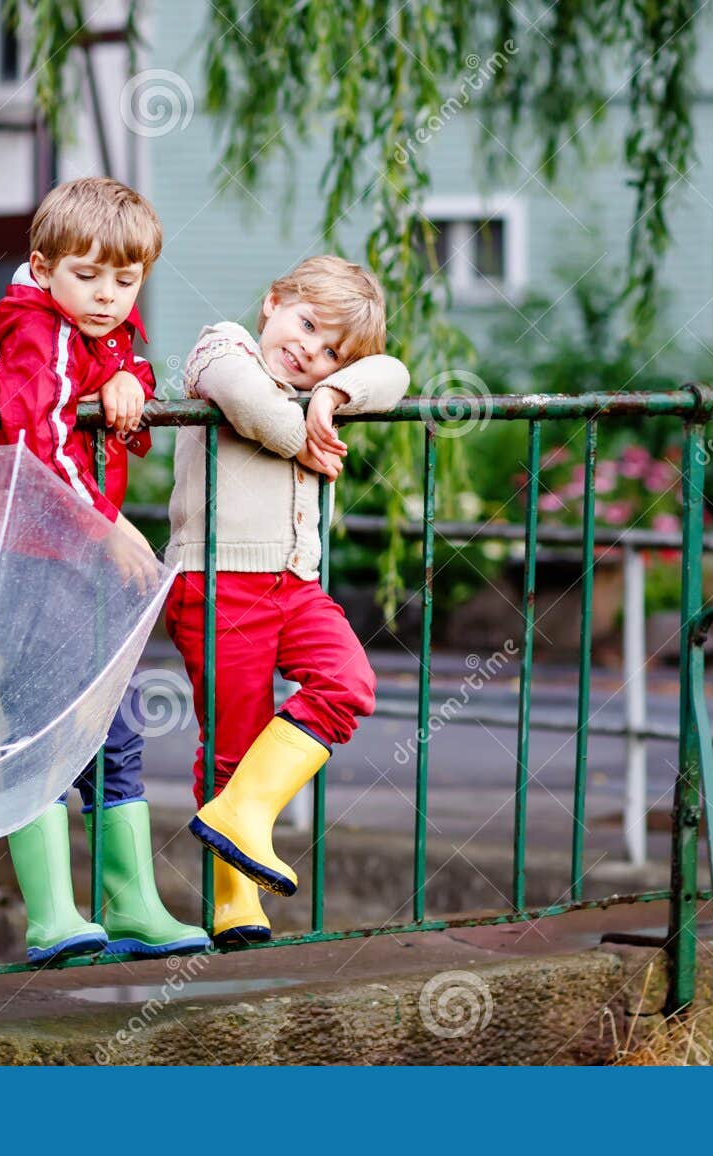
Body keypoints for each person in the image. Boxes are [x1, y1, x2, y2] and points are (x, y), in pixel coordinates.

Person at [0, 176, 207, 963]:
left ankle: (131, 902)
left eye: (126, 278)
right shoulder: (34, 332)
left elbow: (129, 368)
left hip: (82, 566)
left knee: (117, 726)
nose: (109, 295)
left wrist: (128, 380)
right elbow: (39, 436)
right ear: (42, 269)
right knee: (43, 725)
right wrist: (108, 529)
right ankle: (51, 916)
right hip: (32, 564)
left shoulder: (98, 325)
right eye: (89, 275)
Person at [163, 256, 409, 944]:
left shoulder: (320, 392)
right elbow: (245, 400)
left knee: (347, 682)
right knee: (232, 738)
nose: (310, 350)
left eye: (331, 349)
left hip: (295, 584)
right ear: (273, 303)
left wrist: (332, 397)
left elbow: (394, 373)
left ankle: (243, 814)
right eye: (305, 324)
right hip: (218, 582)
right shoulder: (223, 345)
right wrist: (308, 440)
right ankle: (234, 903)